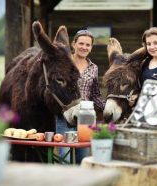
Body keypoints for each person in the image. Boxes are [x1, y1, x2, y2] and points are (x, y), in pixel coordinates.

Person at [56, 29, 105, 164]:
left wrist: (105, 107)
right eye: (81, 43)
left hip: (86, 117)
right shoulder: (64, 63)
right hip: (65, 115)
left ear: (91, 47)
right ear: (74, 44)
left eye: (88, 45)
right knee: (64, 158)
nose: (84, 47)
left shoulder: (93, 68)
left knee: (82, 159)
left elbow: (95, 94)